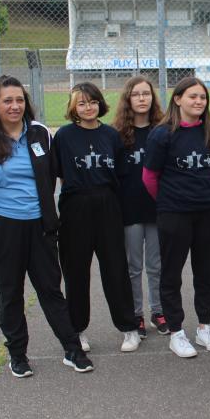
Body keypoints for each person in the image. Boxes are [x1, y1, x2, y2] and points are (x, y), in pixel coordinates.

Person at [0, 75, 93, 377]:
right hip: (2, 230)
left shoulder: (39, 134)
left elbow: (48, 178)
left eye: (19, 100)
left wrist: (45, 213)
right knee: (10, 295)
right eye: (7, 100)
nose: (15, 106)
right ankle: (18, 355)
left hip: (39, 227)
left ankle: (72, 349)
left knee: (51, 290)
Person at [53, 82, 141, 354]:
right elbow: (59, 174)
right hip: (75, 206)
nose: (88, 107)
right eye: (81, 103)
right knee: (76, 270)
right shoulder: (64, 137)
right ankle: (77, 330)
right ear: (73, 108)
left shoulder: (111, 136)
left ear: (100, 104)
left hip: (107, 204)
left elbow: (121, 173)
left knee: (115, 268)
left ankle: (128, 327)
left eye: (92, 102)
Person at [142, 77, 210, 358]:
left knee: (206, 273)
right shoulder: (162, 134)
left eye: (203, 97)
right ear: (177, 99)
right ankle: (176, 331)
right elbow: (150, 177)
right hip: (175, 214)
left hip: (209, 212)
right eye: (193, 96)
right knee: (172, 273)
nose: (199, 102)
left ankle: (204, 328)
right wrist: (170, 202)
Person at [111, 76, 166, 339]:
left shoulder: (163, 131)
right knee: (133, 266)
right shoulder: (118, 135)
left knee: (156, 264)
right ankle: (136, 314)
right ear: (128, 100)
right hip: (129, 209)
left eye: (146, 94)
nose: (142, 99)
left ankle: (158, 311)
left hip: (157, 208)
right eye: (136, 94)